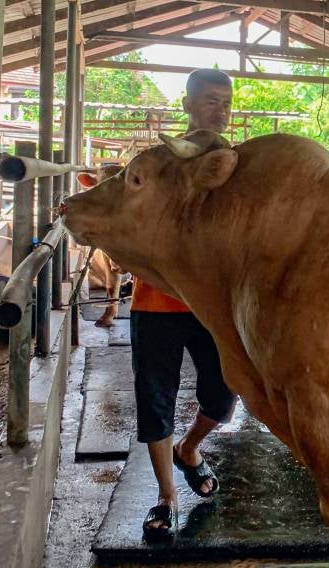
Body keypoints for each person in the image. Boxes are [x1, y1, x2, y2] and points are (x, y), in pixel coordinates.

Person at [137, 69, 238, 540]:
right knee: (154, 398)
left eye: (226, 102)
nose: (221, 110)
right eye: (211, 100)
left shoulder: (233, 163)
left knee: (224, 392)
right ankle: (166, 496)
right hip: (155, 301)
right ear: (188, 105)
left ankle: (189, 449)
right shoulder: (157, 163)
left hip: (208, 303)